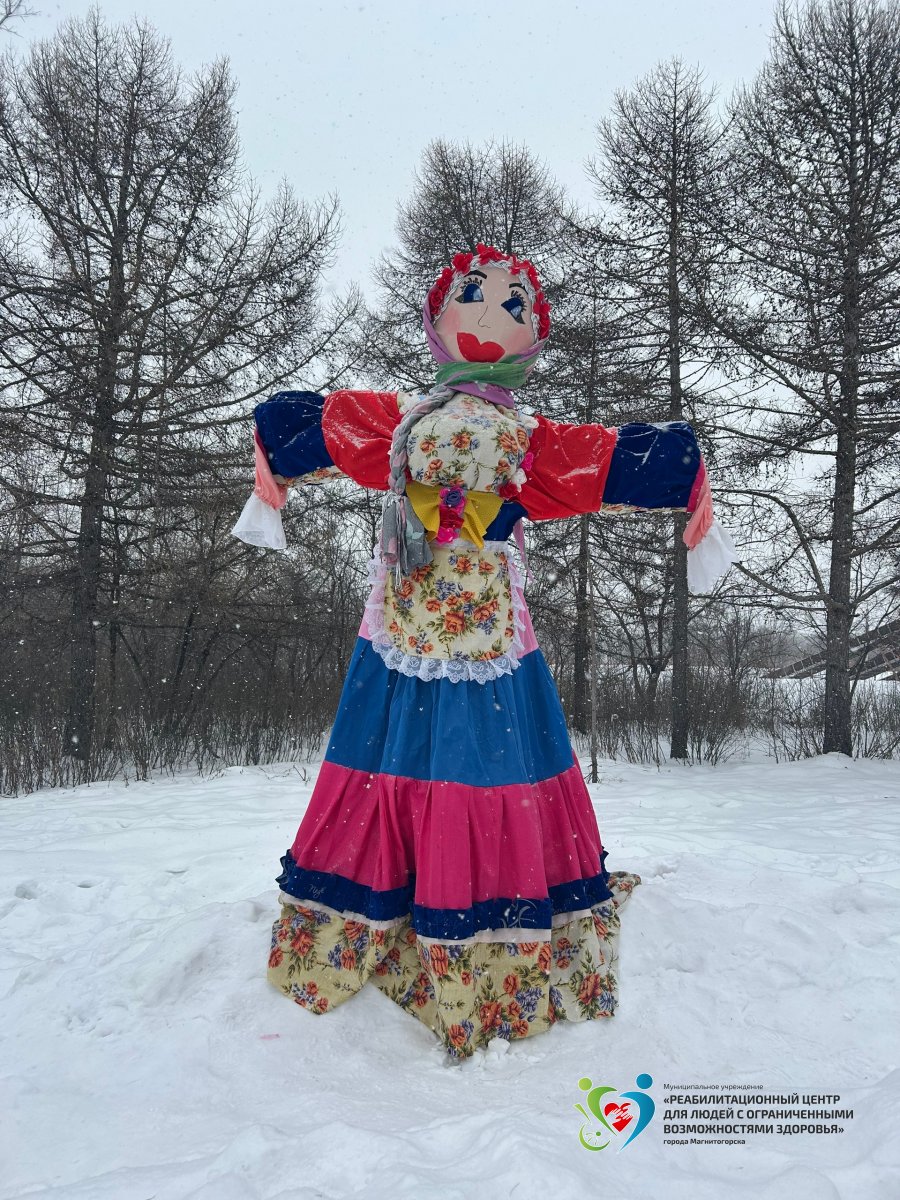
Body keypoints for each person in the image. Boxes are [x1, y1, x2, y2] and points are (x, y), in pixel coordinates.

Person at [232, 243, 737, 1060]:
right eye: (473, 295)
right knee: (418, 760)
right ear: (437, 319)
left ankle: (470, 915)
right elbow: (328, 427)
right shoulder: (400, 420)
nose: (495, 313)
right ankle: (400, 899)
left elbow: (599, 461)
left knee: (479, 763)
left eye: (515, 304)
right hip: (403, 625)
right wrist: (285, 435)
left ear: (534, 334)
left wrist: (674, 462)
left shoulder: (530, 440)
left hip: (489, 632)